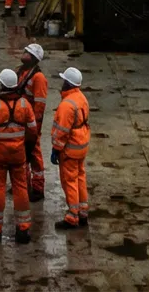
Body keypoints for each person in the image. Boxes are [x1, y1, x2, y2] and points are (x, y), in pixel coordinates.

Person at [0, 68, 36, 243]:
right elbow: (33, 130)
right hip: (18, 154)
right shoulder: (24, 104)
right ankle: (23, 229)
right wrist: (26, 146)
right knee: (21, 188)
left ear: (2, 85)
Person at [50, 66, 91, 229]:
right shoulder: (81, 98)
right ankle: (83, 212)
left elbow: (61, 132)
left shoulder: (66, 105)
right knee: (80, 177)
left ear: (68, 83)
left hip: (70, 149)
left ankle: (72, 216)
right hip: (82, 144)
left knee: (70, 181)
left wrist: (56, 149)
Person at [16, 43, 49, 200]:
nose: (24, 53)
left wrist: (34, 128)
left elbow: (39, 105)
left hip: (30, 124)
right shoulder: (21, 72)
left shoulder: (38, 78)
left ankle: (38, 188)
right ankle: (24, 185)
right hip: (20, 122)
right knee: (22, 155)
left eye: (27, 52)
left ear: (34, 58)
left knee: (34, 155)